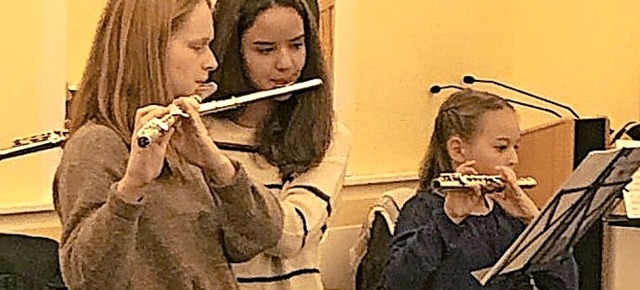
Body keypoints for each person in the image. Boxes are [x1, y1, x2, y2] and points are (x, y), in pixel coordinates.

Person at [52, 0, 283, 289]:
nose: (211, 62)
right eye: (197, 46)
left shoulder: (181, 136)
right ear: (150, 49)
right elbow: (88, 278)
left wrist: (218, 166)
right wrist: (132, 187)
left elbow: (262, 235)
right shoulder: (95, 146)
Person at [205, 0, 351, 289]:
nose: (286, 63)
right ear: (233, 51)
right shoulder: (201, 132)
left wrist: (218, 168)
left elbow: (291, 233)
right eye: (265, 49)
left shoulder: (328, 134)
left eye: (296, 45)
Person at [380, 89, 579, 289]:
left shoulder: (508, 214)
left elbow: (565, 286)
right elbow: (395, 284)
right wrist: (449, 219)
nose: (513, 160)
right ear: (457, 150)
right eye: (501, 147)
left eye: (515, 147)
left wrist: (538, 225)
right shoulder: (423, 209)